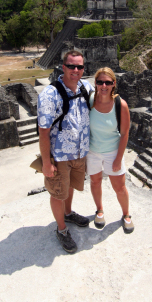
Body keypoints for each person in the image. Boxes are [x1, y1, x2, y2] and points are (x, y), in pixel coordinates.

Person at [37, 50, 94, 254]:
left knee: (69, 188)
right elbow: (43, 132)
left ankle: (68, 214)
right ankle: (61, 230)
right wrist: (46, 162)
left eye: (79, 66)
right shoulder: (50, 94)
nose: (76, 70)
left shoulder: (87, 88)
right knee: (58, 192)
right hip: (60, 155)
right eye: (71, 66)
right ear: (63, 67)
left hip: (79, 153)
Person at [86, 67, 134, 233]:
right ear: (96, 84)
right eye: (100, 82)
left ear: (114, 84)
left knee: (119, 187)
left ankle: (126, 214)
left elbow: (125, 133)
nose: (104, 85)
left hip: (113, 151)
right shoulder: (91, 100)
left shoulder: (120, 105)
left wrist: (118, 158)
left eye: (107, 82)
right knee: (95, 181)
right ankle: (99, 210)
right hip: (92, 151)